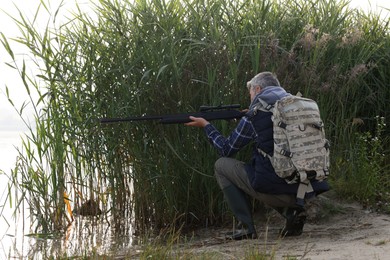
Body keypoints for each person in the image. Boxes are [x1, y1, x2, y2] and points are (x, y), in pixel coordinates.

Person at [185, 72, 329, 240]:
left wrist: (206, 126)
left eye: (251, 93)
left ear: (258, 89)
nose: (250, 97)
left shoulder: (255, 115)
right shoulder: (299, 105)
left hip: (280, 191)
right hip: (310, 188)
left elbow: (226, 149)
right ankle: (291, 214)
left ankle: (246, 228)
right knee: (262, 165)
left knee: (221, 165)